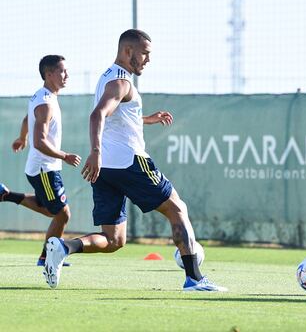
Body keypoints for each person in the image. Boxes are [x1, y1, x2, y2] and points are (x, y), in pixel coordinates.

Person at [43, 29, 227, 292]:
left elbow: (116, 117)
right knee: (177, 209)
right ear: (128, 51)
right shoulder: (122, 82)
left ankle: (64, 246)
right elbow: (97, 116)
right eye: (145, 53)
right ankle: (195, 278)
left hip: (106, 169)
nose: (148, 60)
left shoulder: (108, 77)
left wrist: (145, 119)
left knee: (114, 239)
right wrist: (94, 151)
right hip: (130, 162)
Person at [0, 55, 81, 266]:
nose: (67, 75)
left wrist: (21, 137)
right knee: (62, 213)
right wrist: (65, 155)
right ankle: (47, 257)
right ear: (49, 74)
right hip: (45, 169)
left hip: (43, 168)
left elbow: (28, 119)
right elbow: (40, 142)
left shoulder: (43, 96)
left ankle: (6, 195)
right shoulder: (45, 102)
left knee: (51, 209)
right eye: (62, 71)